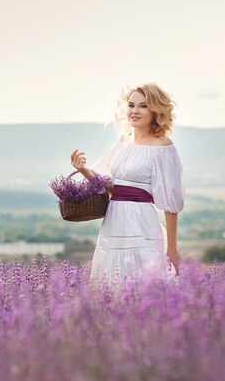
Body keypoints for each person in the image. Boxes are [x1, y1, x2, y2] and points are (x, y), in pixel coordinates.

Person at [70, 83, 185, 284]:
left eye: (143, 106)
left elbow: (170, 203)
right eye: (131, 105)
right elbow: (108, 185)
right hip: (114, 220)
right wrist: (84, 170)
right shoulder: (123, 143)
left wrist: (172, 248)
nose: (135, 111)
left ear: (155, 110)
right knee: (112, 282)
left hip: (141, 221)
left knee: (145, 283)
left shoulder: (163, 146)